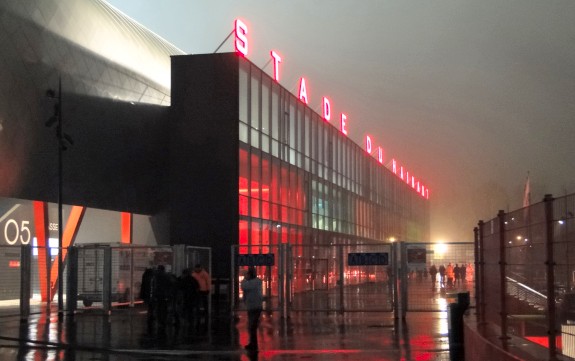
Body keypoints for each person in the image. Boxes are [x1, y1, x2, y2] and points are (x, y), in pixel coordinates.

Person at [241, 267, 263, 351]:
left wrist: (244, 279)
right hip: (254, 306)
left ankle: (253, 345)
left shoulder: (252, 283)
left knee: (252, 326)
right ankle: (252, 344)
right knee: (252, 326)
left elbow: (244, 287)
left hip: (254, 306)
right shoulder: (258, 282)